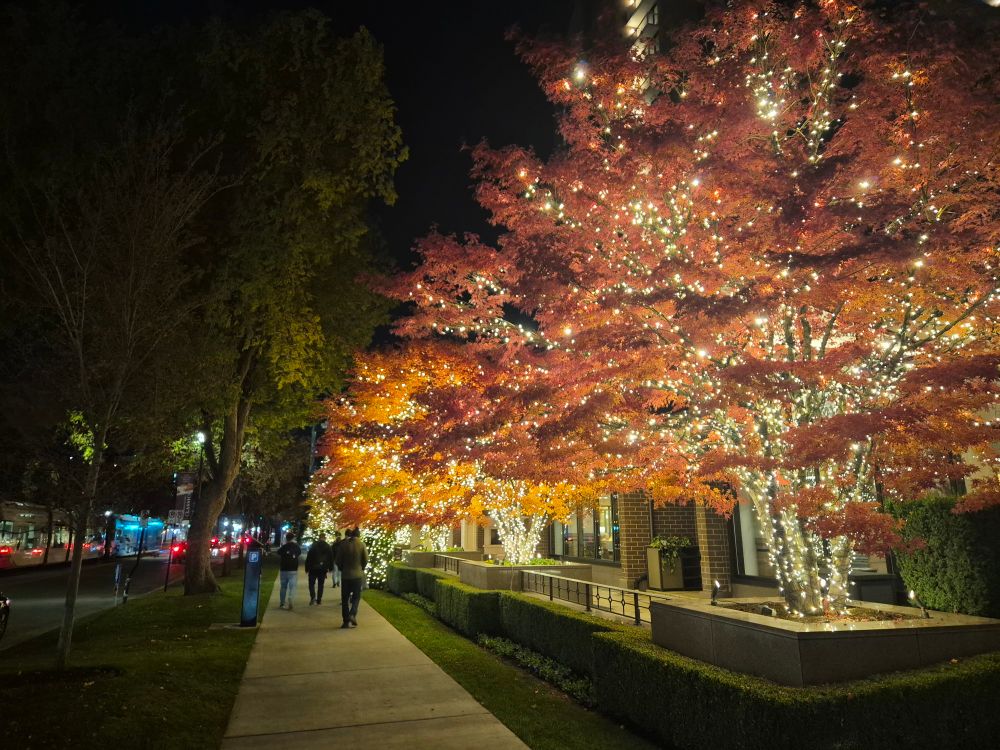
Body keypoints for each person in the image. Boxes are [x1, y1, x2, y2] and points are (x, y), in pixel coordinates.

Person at [334, 527, 367, 629]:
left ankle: (345, 621)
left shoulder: (343, 545)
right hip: (357, 575)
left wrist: (342, 568)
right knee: (356, 597)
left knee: (345, 599)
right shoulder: (361, 545)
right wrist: (361, 567)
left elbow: (338, 560)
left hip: (346, 575)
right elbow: (365, 560)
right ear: (359, 535)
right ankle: (352, 613)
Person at [305, 532, 334, 605]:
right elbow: (331, 558)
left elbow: (309, 557)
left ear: (319, 537)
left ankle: (313, 597)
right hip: (323, 568)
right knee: (321, 584)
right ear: (324, 538)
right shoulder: (327, 546)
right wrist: (330, 568)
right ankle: (319, 599)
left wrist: (307, 567)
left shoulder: (314, 545)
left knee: (311, 584)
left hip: (313, 567)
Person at [276, 532, 301, 610]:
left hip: (284, 569)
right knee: (292, 586)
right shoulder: (296, 547)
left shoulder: (284, 547)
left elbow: (278, 552)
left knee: (283, 587)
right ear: (293, 538)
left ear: (286, 538)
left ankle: (282, 603)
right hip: (293, 569)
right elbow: (299, 553)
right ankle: (290, 598)